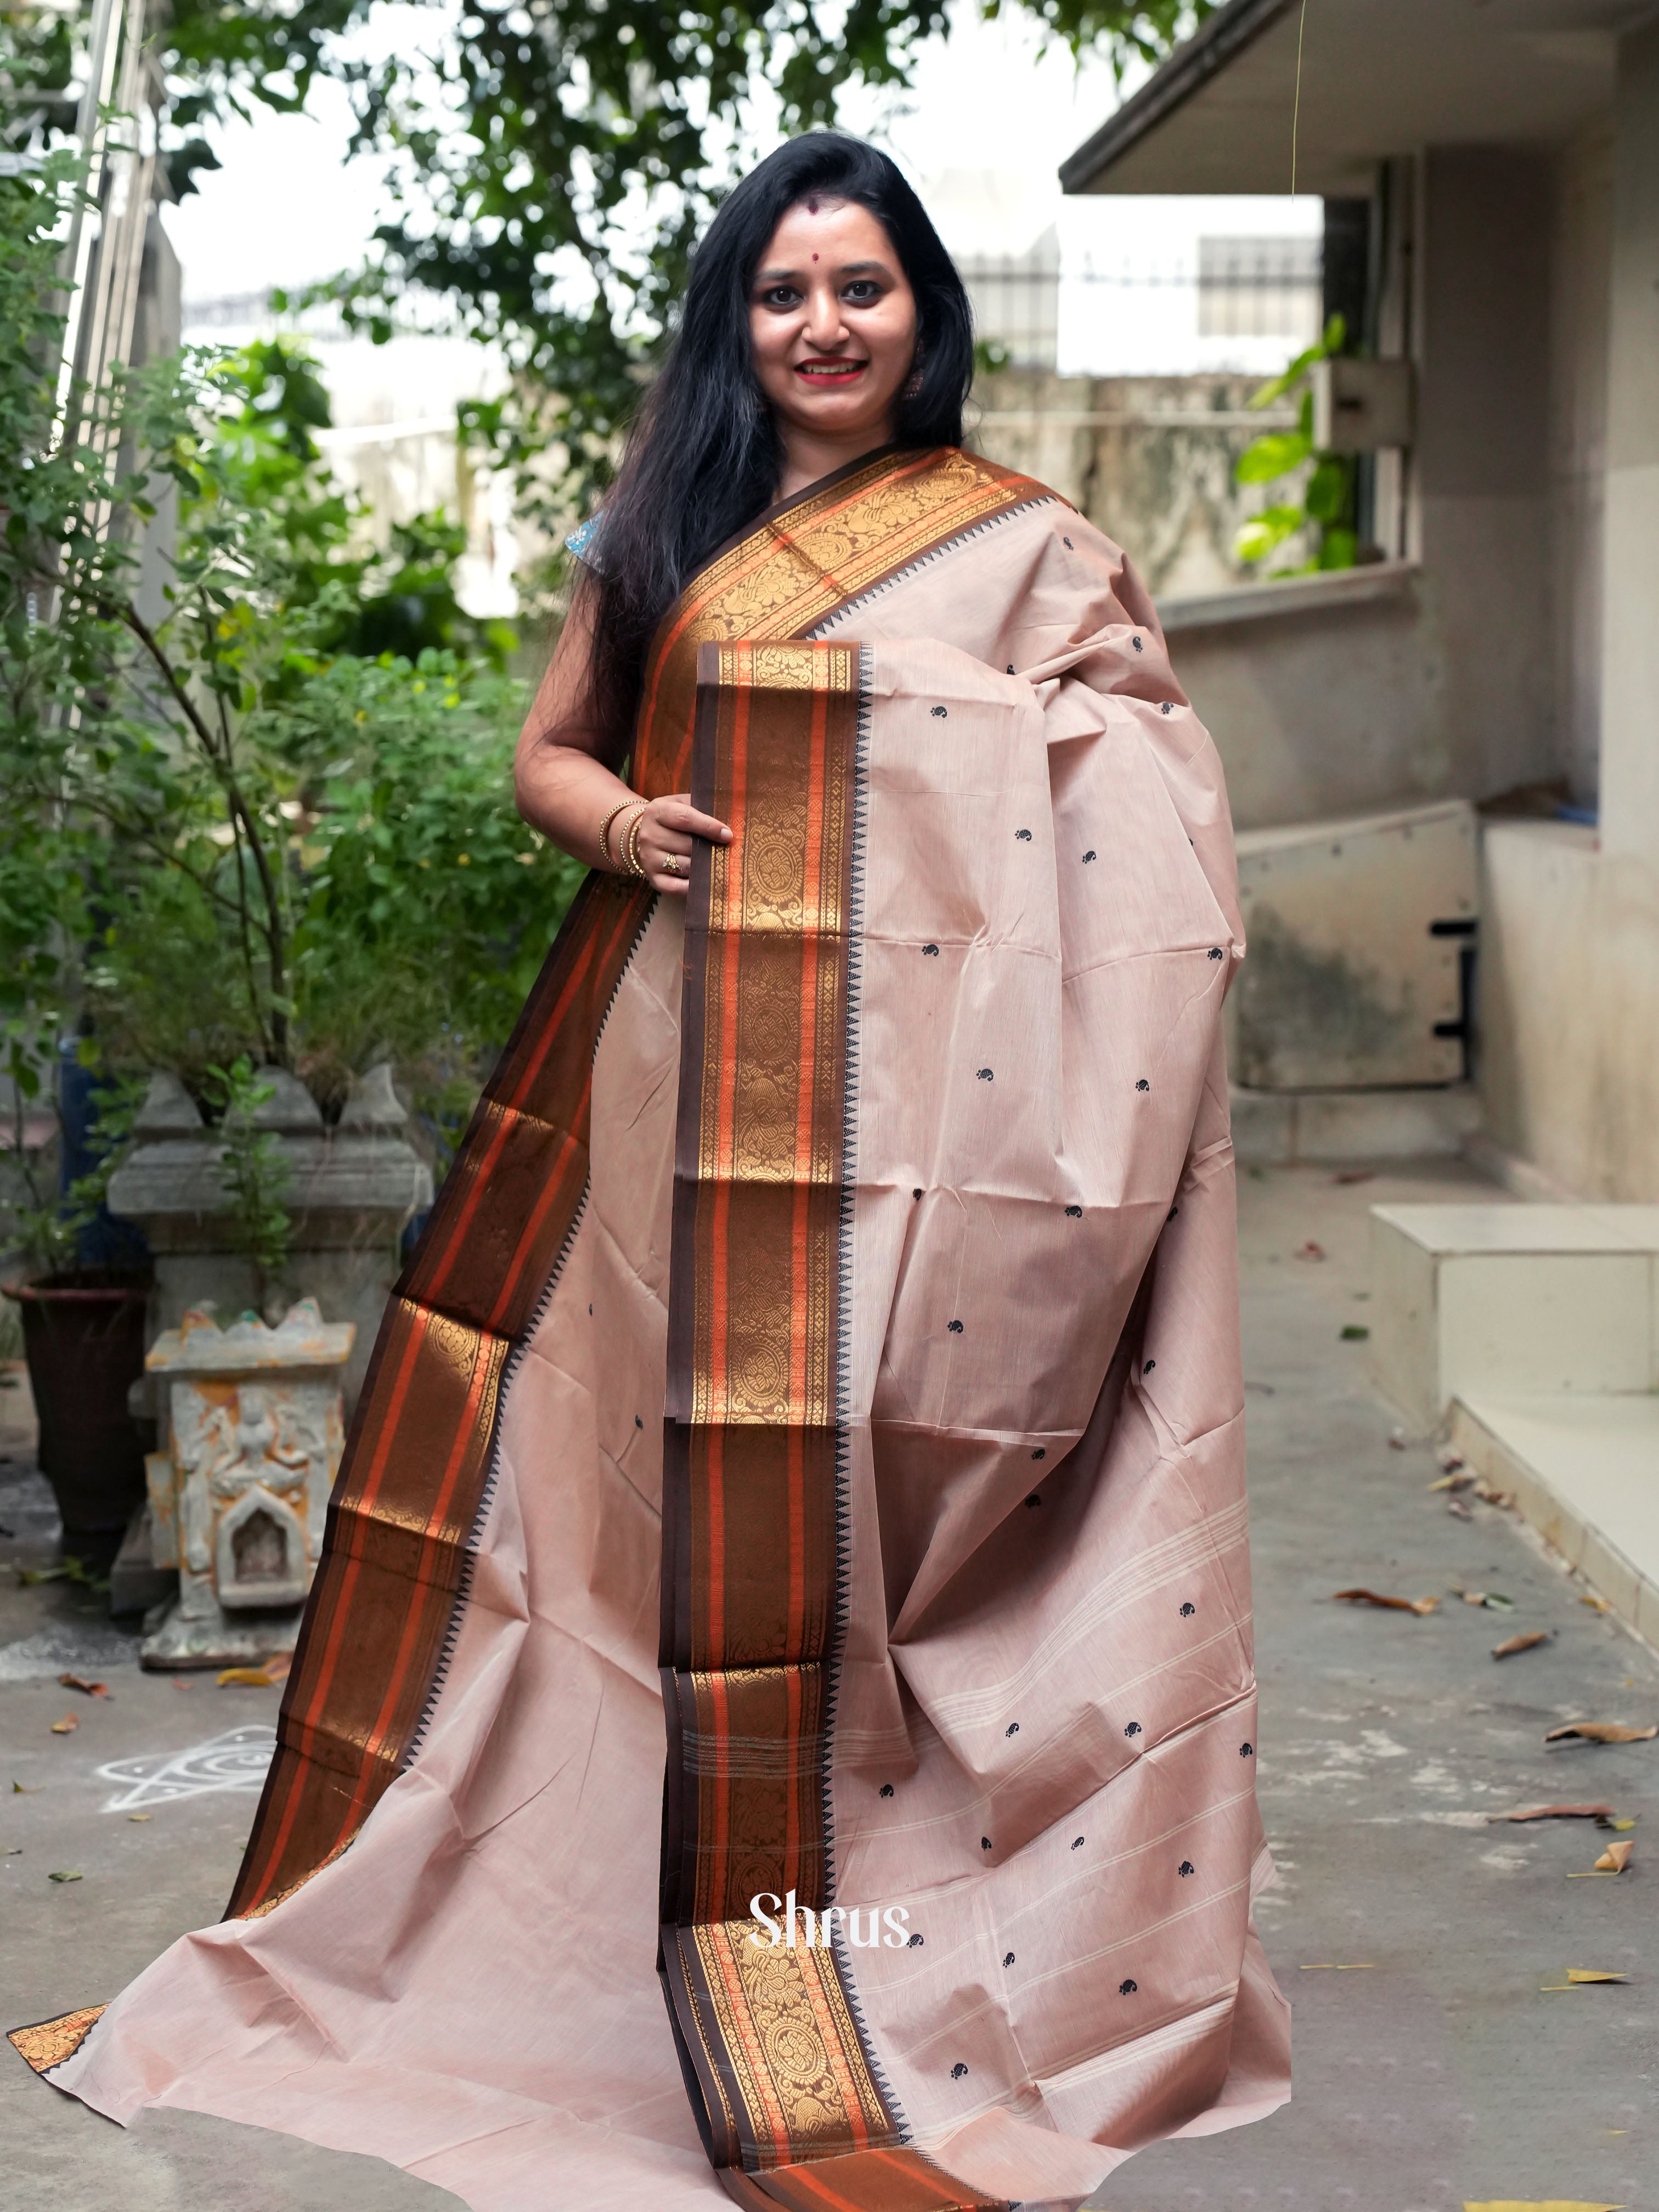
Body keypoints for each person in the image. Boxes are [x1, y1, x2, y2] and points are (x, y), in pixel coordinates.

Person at [13, 133, 1289, 2212]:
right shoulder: (670, 527)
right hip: (683, 1070)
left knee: (882, 1456)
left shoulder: (1029, 545)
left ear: (923, 314)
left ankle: (886, 1890)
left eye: (863, 289)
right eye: (785, 294)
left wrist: (894, 724)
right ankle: (636, 1888)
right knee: (650, 1486)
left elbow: (1140, 777)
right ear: (737, 322)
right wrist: (627, 828)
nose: (823, 328)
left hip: (929, 1113)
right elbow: (554, 752)